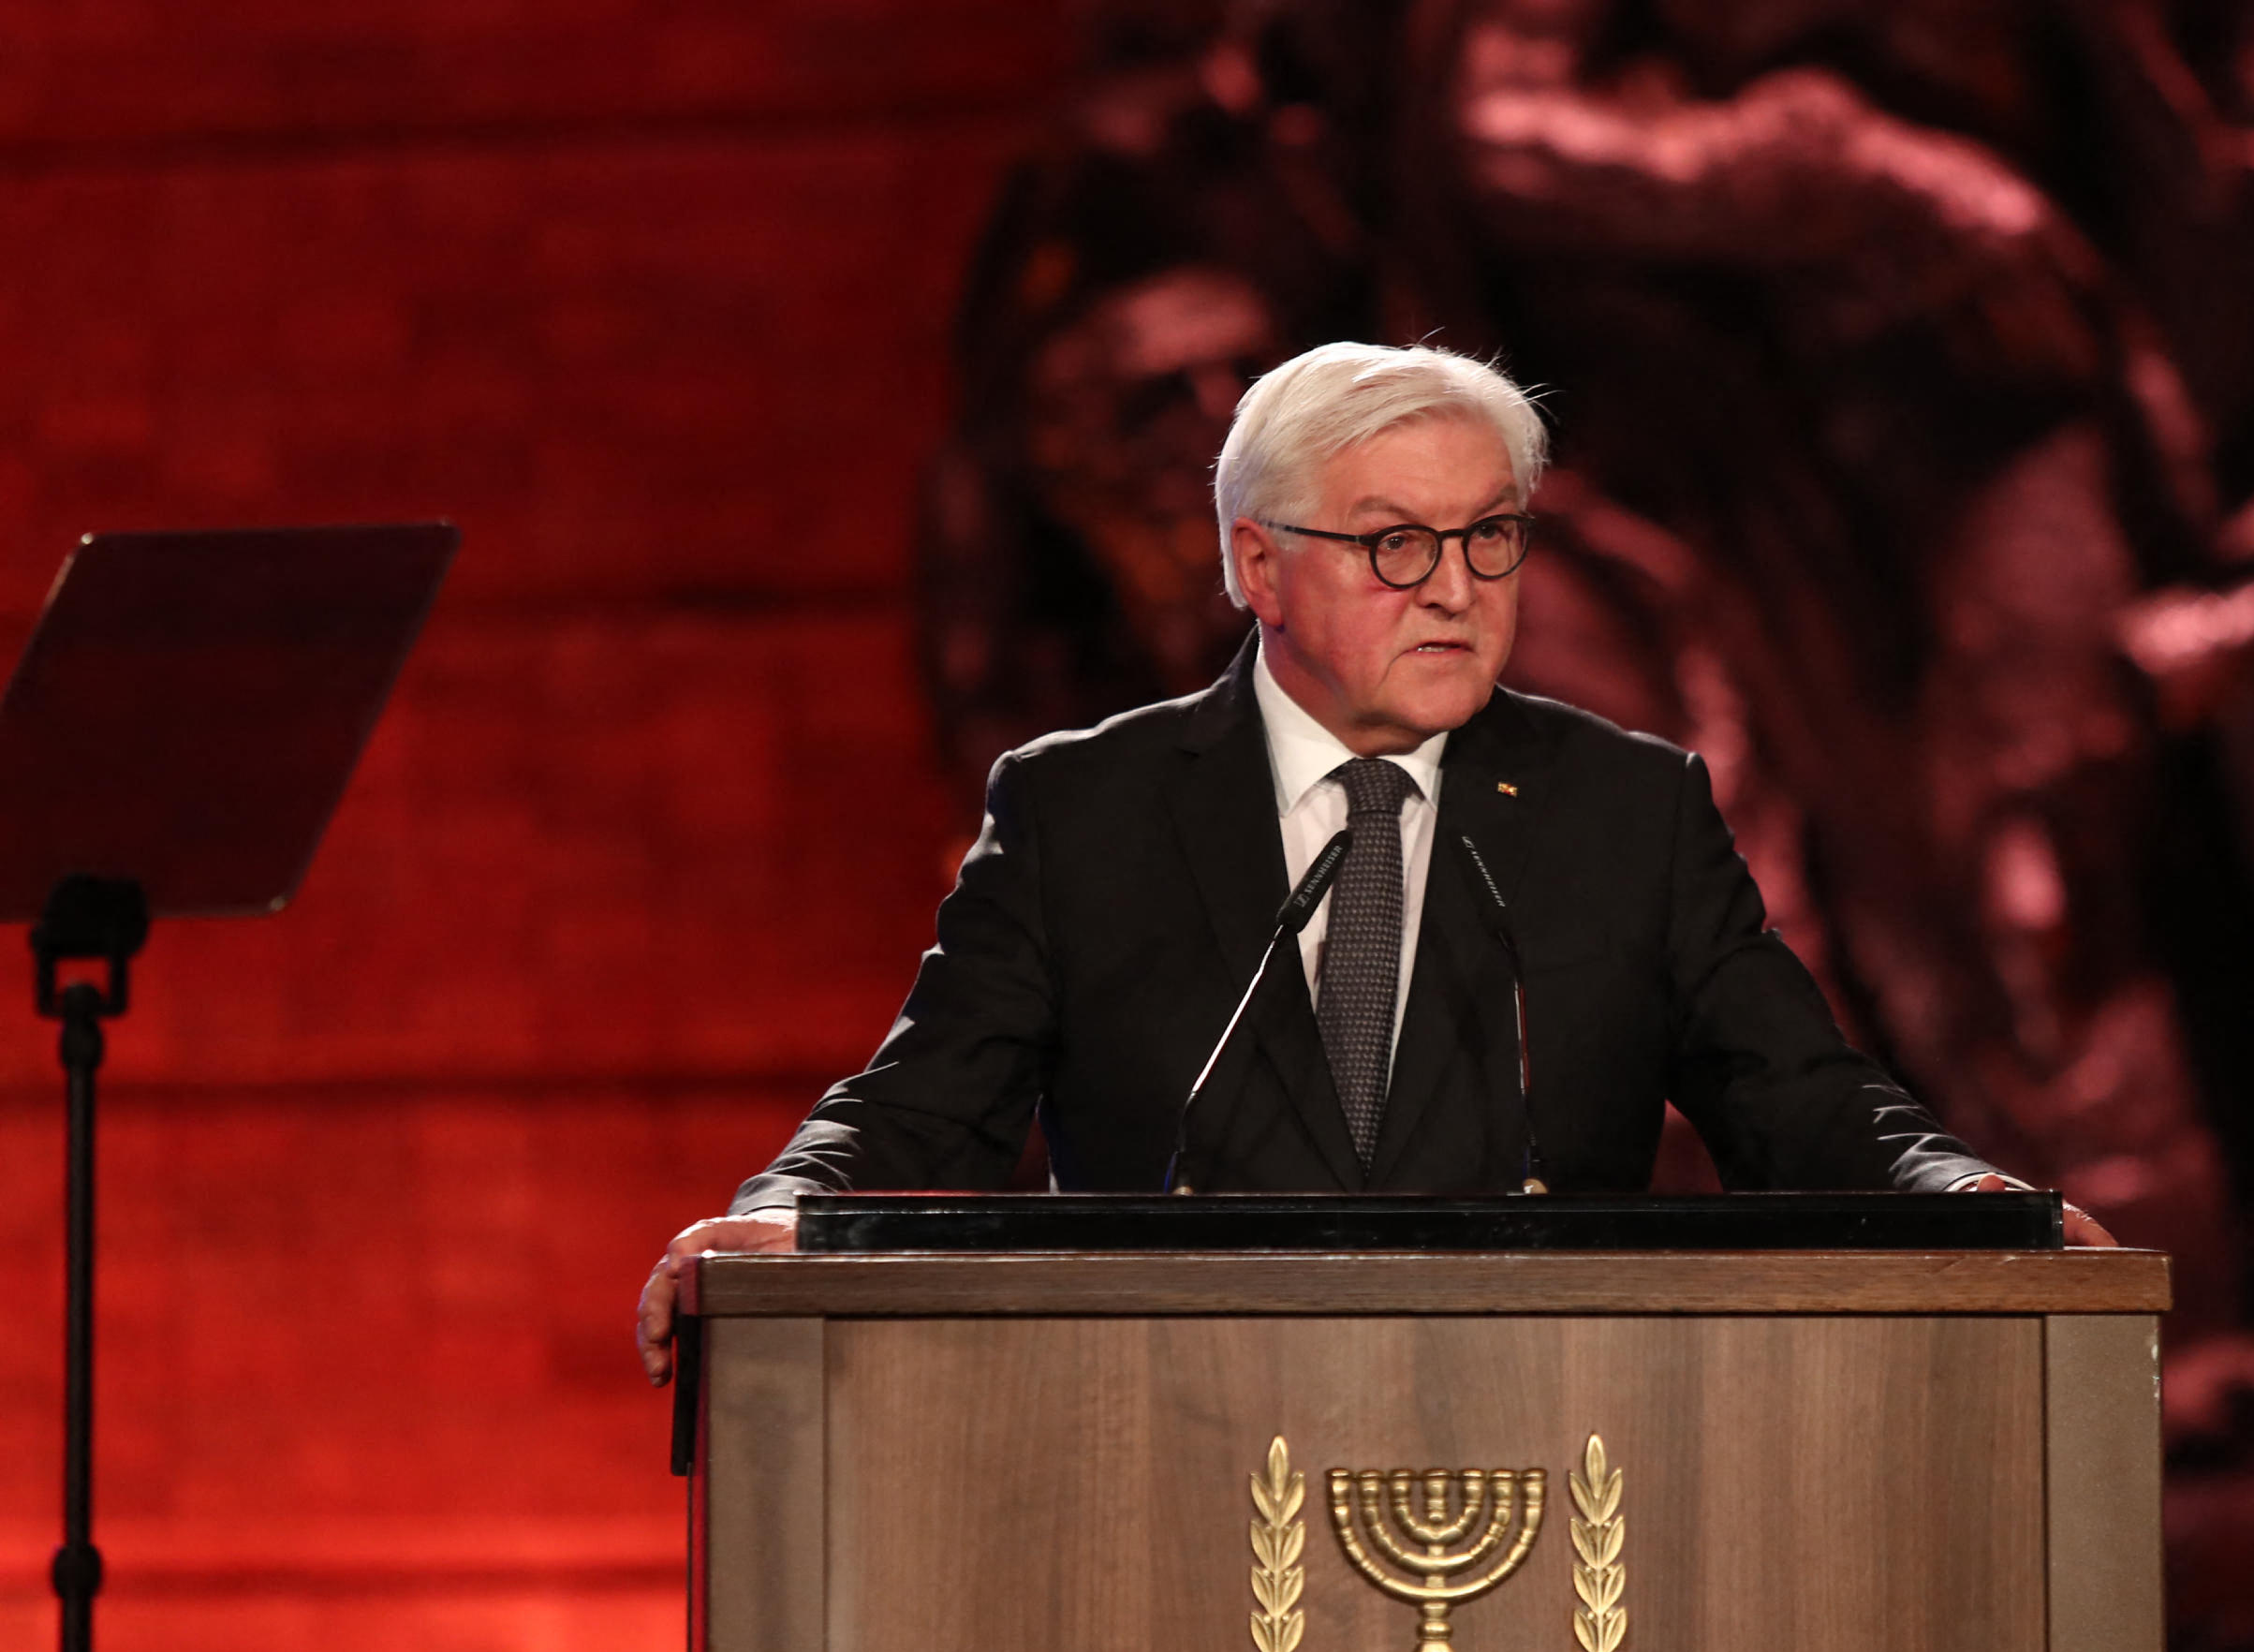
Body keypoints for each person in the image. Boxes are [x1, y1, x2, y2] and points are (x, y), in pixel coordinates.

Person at [638, 342, 2112, 1382]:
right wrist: (780, 1218)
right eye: (1397, 547)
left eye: (1491, 540)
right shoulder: (1087, 810)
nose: (1459, 591)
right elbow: (923, 1107)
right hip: (1166, 1431)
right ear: (1258, 565)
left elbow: (1798, 1098)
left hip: (1563, 1439)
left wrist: (1966, 1195)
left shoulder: (1626, 808)